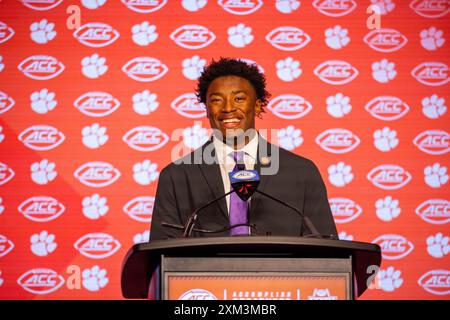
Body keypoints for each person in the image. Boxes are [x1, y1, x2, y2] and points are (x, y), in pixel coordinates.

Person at [150, 58, 337, 240]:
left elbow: (327, 248)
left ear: (257, 106)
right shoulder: (176, 176)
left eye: (238, 98)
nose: (228, 108)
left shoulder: (301, 172)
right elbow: (160, 255)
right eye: (216, 100)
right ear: (206, 109)